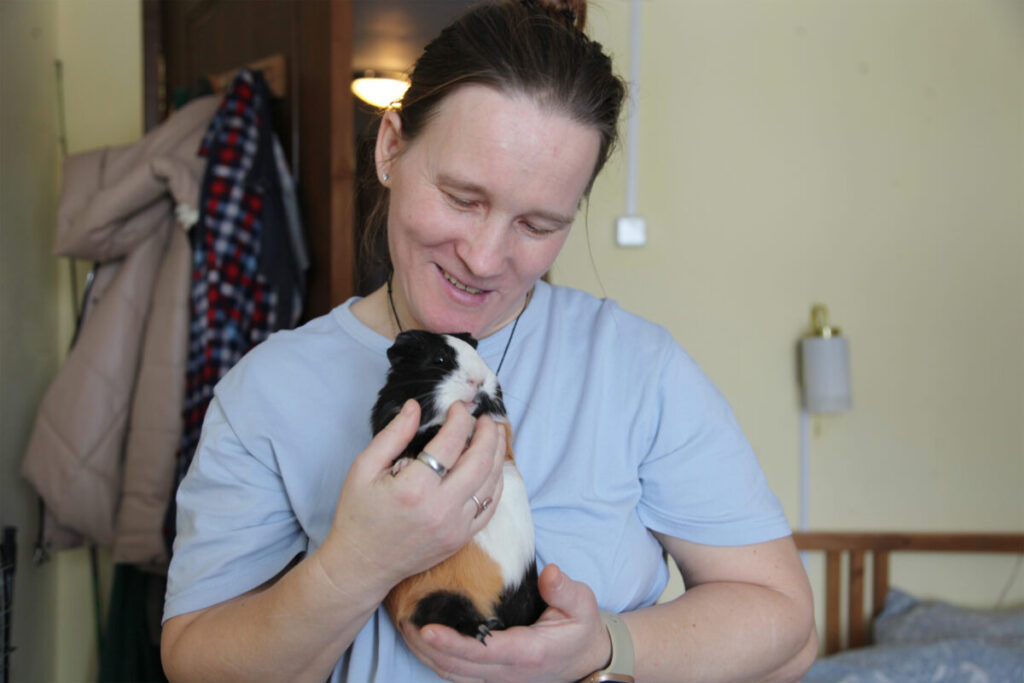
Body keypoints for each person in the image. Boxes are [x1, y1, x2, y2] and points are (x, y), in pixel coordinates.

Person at [160, 1, 818, 681]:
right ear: (390, 149)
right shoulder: (268, 390)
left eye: (537, 225)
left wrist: (603, 648)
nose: (482, 257)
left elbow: (787, 625)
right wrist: (357, 563)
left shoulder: (634, 368)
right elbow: (193, 663)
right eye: (462, 198)